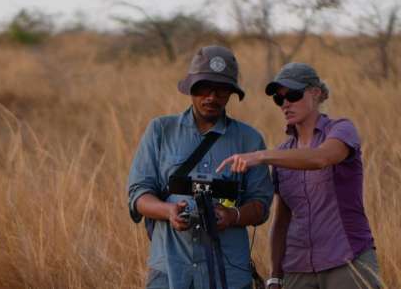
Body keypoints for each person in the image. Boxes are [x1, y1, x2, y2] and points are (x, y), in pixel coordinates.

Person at [217, 62, 380, 289]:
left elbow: (319, 158)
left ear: (316, 93)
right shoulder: (283, 154)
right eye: (279, 99)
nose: (285, 104)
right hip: (298, 267)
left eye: (292, 95)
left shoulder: (340, 129)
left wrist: (260, 156)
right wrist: (275, 275)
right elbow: (282, 221)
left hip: (346, 259)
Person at [128, 45, 274, 289]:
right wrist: (169, 211)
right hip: (170, 269)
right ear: (191, 88)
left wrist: (232, 216)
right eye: (204, 88)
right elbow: (138, 193)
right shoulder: (161, 130)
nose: (212, 97)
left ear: (231, 93)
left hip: (230, 273)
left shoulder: (250, 139)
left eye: (221, 90)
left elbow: (261, 205)